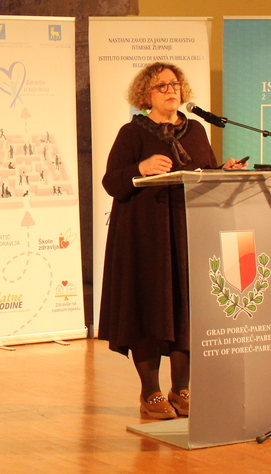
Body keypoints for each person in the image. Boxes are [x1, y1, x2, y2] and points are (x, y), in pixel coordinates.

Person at [99, 62, 246, 420]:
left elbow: (204, 174)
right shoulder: (132, 133)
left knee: (186, 309)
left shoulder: (195, 130)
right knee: (150, 307)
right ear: (145, 94)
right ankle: (150, 391)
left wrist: (223, 172)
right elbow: (111, 182)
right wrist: (140, 168)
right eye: (162, 86)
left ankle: (181, 390)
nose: (171, 91)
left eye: (175, 84)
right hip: (145, 237)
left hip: (188, 232)